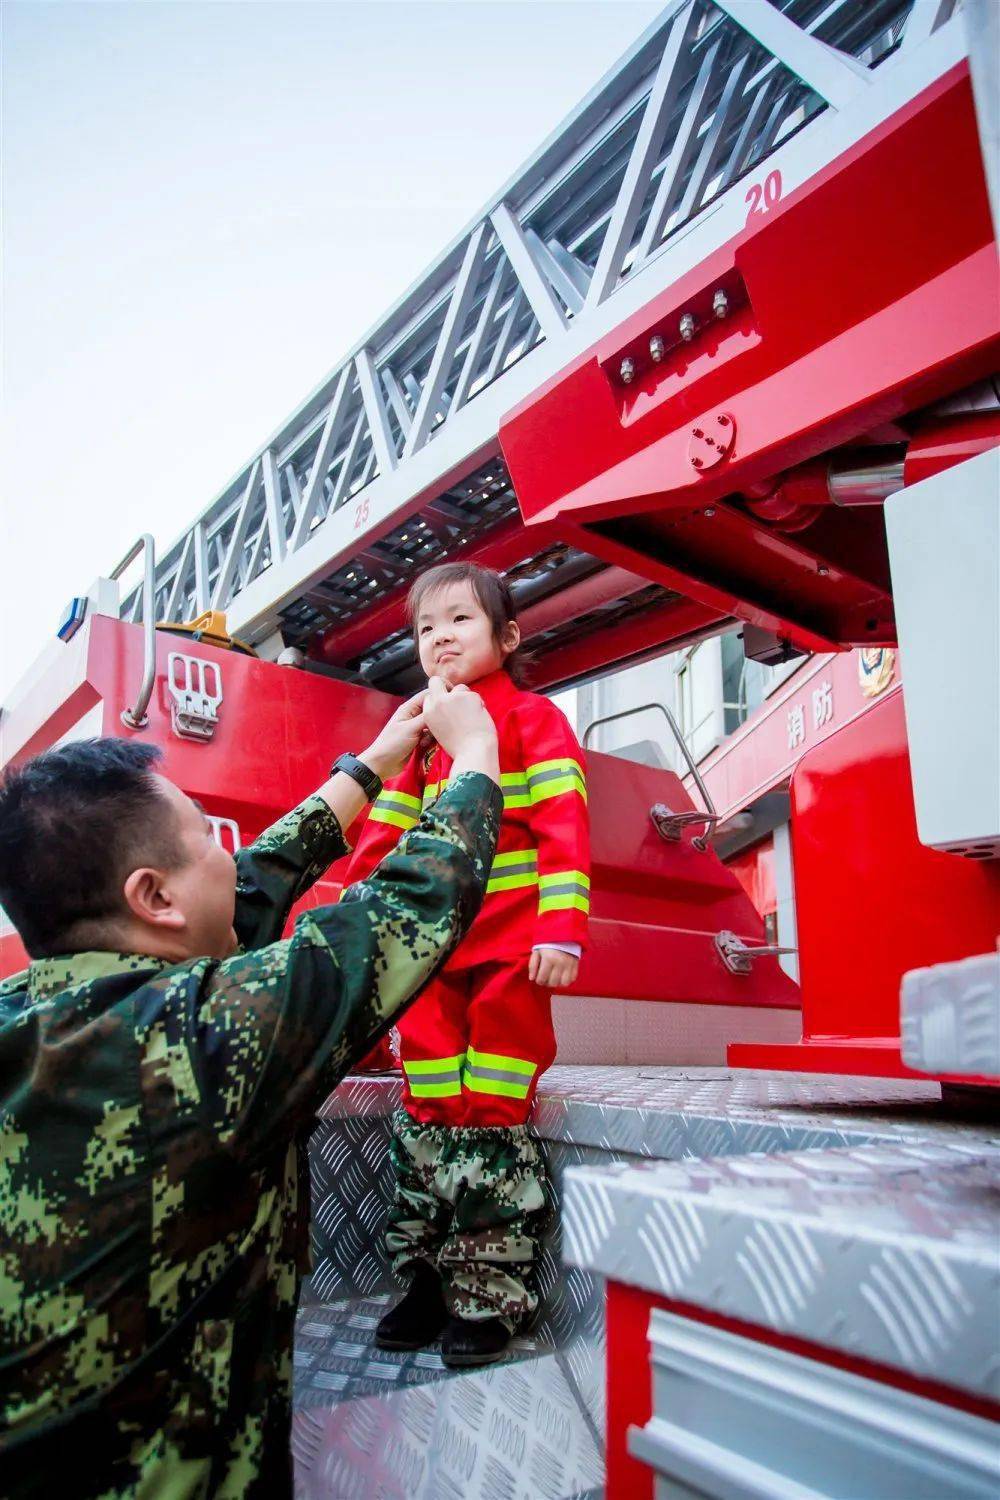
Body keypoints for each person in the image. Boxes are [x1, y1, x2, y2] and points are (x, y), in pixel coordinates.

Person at [0, 677, 501, 1499]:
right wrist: (477, 761)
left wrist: (372, 766)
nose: (229, 857)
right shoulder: (196, 1047)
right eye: (209, 842)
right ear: (153, 896)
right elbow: (406, 908)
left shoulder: (43, 1012)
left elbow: (251, 889)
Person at [341, 562, 590, 1367]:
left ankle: (488, 1291)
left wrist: (562, 930)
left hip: (513, 957)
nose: (440, 637)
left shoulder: (536, 721)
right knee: (427, 1107)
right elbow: (384, 841)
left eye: (460, 621)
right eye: (425, 628)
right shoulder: (416, 734)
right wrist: (358, 922)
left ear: (508, 638)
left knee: (491, 1111)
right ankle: (425, 1279)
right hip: (429, 961)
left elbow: (562, 828)